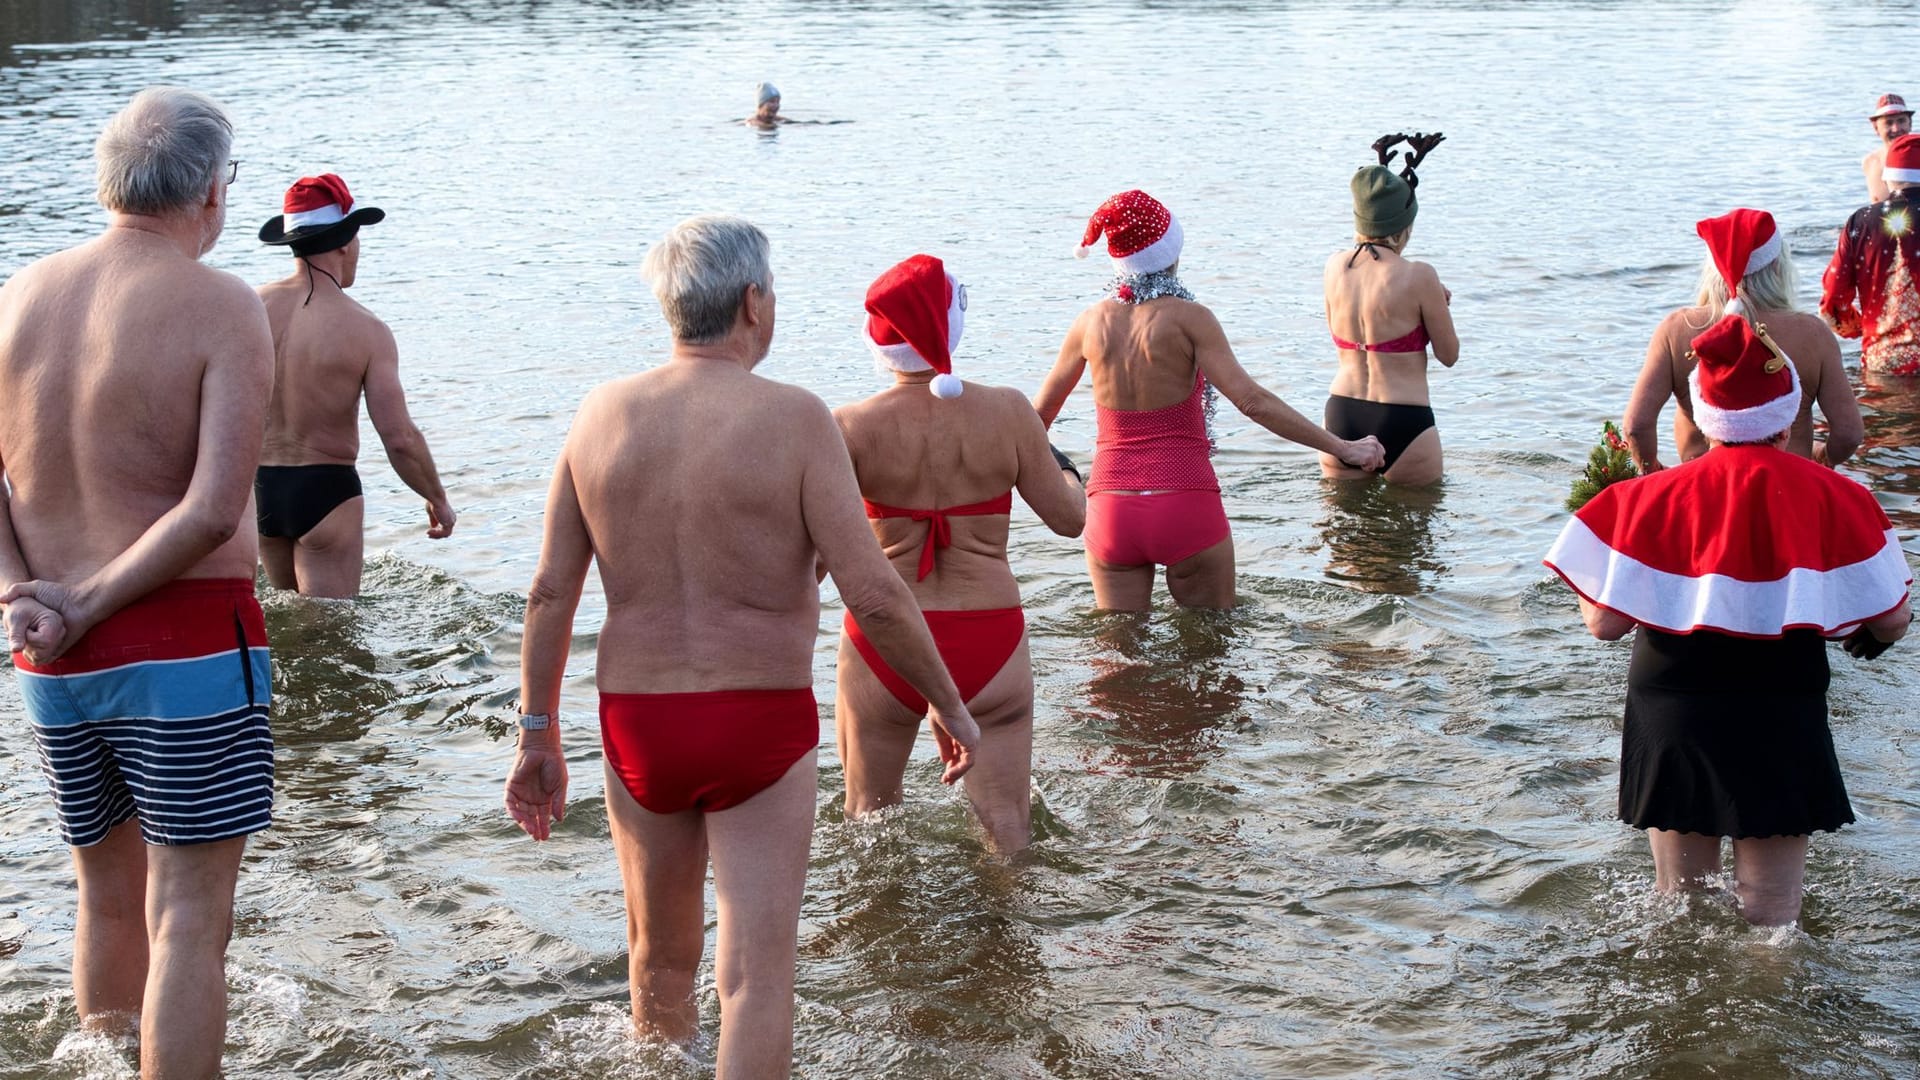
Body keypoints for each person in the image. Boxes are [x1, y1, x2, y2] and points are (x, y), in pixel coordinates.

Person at [503, 215, 980, 1075]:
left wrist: (537, 732)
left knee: (657, 960)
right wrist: (947, 702)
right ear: (754, 302)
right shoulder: (797, 419)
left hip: (638, 722)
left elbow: (548, 591)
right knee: (758, 976)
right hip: (757, 717)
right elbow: (873, 591)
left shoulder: (601, 414)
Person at [0, 86, 275, 1078]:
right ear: (209, 191)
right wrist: (91, 600)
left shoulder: (20, 293)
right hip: (183, 644)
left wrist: (27, 596)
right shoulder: (223, 305)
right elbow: (210, 510)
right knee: (189, 922)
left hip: (52, 656)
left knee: (104, 898)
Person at [1545, 312, 1911, 926]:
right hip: (1781, 700)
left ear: (1706, 414)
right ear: (1785, 411)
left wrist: (1619, 576)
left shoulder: (1643, 497)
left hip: (1674, 705)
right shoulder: (1839, 493)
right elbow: (1893, 620)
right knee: (1772, 917)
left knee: (1682, 908)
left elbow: (1605, 625)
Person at [833, 254, 1085, 853]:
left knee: (869, 826)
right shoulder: (1008, 412)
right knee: (1007, 830)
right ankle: (1005, 944)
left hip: (885, 641)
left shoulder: (847, 427)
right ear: (951, 327)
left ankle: (881, 940)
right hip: (988, 635)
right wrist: (1068, 471)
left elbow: (817, 560)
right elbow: (1070, 521)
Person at [1033, 189, 1385, 611]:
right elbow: (1253, 402)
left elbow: (1035, 424)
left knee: (1117, 663)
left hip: (1110, 509)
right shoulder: (1191, 319)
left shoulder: (1088, 324)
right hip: (1184, 501)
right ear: (1172, 249)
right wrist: (1343, 447)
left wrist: (1059, 484)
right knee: (1212, 652)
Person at [255, 173, 456, 598]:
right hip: (326, 490)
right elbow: (399, 437)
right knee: (332, 634)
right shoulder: (366, 330)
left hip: (259, 490)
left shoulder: (249, 310)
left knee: (287, 630)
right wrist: (437, 498)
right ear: (346, 241)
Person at [1627, 208, 1862, 471]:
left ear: (1711, 269)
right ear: (1778, 267)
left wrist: (1655, 474)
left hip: (1705, 486)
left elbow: (1636, 427)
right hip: (1787, 486)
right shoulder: (1812, 334)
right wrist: (1823, 461)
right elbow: (1849, 433)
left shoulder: (1677, 330)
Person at [1322, 132, 1460, 486]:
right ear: (1404, 225)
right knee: (1412, 536)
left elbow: (1338, 331)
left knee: (1342, 536)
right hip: (1405, 418)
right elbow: (1448, 354)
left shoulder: (1334, 266)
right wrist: (1437, 307)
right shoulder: (1419, 275)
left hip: (1341, 415)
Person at [1823, 133, 1920, 377]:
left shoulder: (1860, 222)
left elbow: (1833, 302)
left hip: (1884, 361)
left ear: (1887, 179)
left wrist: (1861, 328)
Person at [1862, 93, 1912, 204]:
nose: (1896, 129)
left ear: (1910, 123)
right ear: (1876, 128)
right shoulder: (1870, 162)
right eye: (1888, 123)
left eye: (1901, 121)